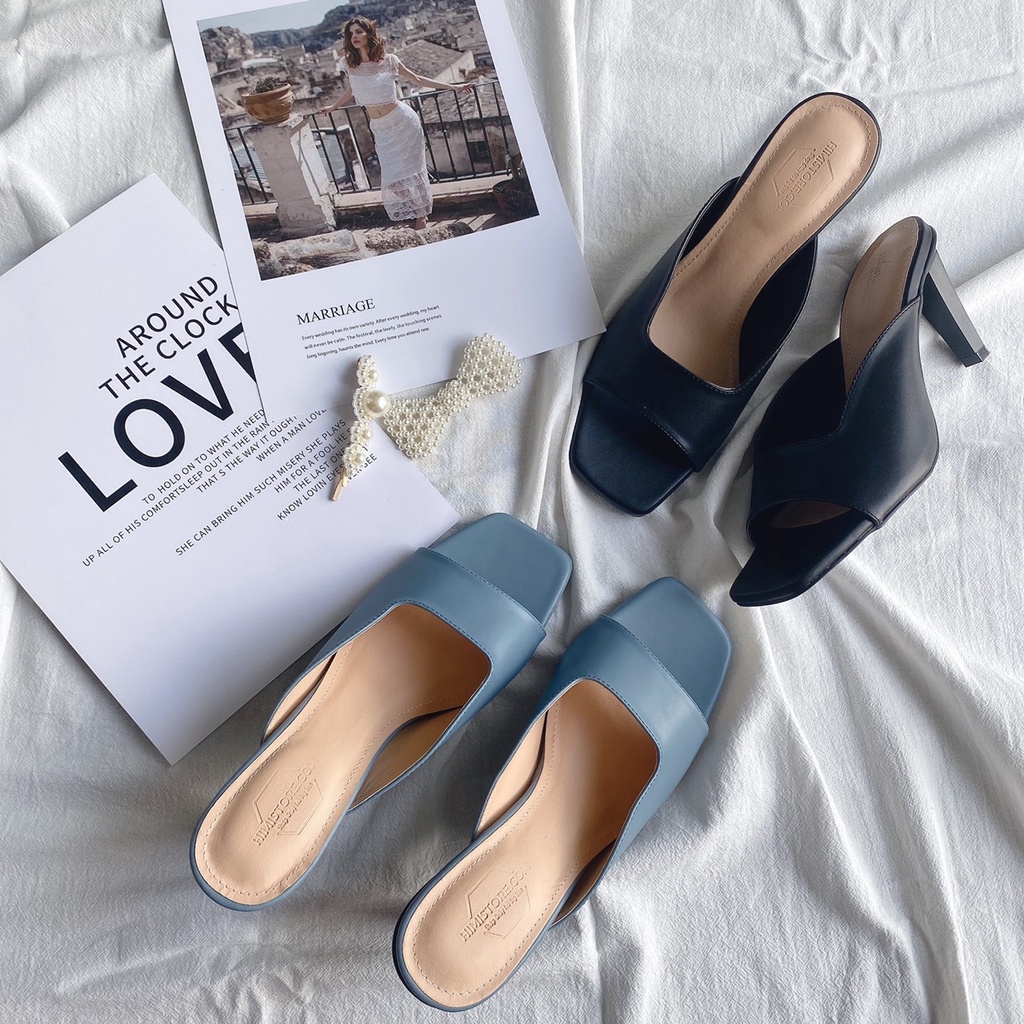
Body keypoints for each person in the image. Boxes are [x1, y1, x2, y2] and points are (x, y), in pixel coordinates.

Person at [320, 17, 473, 230]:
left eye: (359, 32)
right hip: (381, 128)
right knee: (393, 180)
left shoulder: (389, 61)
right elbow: (352, 89)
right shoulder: (349, 64)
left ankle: (421, 215)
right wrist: (334, 106)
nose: (354, 36)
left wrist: (454, 87)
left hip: (404, 122)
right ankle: (417, 208)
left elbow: (417, 79)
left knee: (414, 170)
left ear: (369, 34)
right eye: (351, 33)